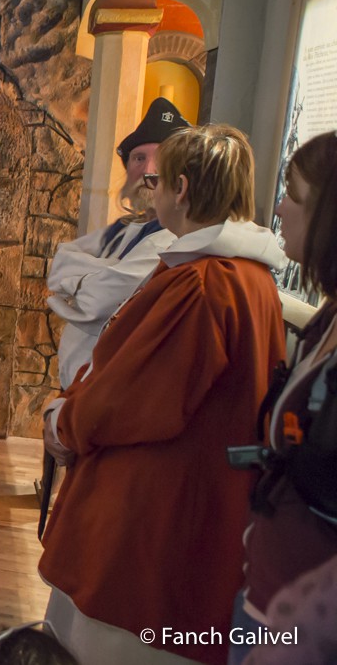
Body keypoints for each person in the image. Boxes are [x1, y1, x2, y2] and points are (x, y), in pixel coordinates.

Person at [39, 124, 288, 665]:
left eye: (156, 181)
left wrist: (65, 422)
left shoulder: (204, 282)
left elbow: (133, 398)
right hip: (193, 498)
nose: (149, 191)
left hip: (152, 511)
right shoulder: (247, 277)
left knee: (109, 644)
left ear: (180, 188)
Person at [231, 132, 337, 665]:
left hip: (305, 624)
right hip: (267, 586)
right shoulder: (328, 318)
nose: (277, 208)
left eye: (293, 195)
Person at [46, 97, 189, 388]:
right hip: (78, 386)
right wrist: (105, 270)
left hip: (105, 388)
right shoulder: (126, 229)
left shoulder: (171, 239)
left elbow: (96, 303)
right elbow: (61, 259)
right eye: (139, 158)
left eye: (162, 158)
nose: (149, 170)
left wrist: (79, 282)